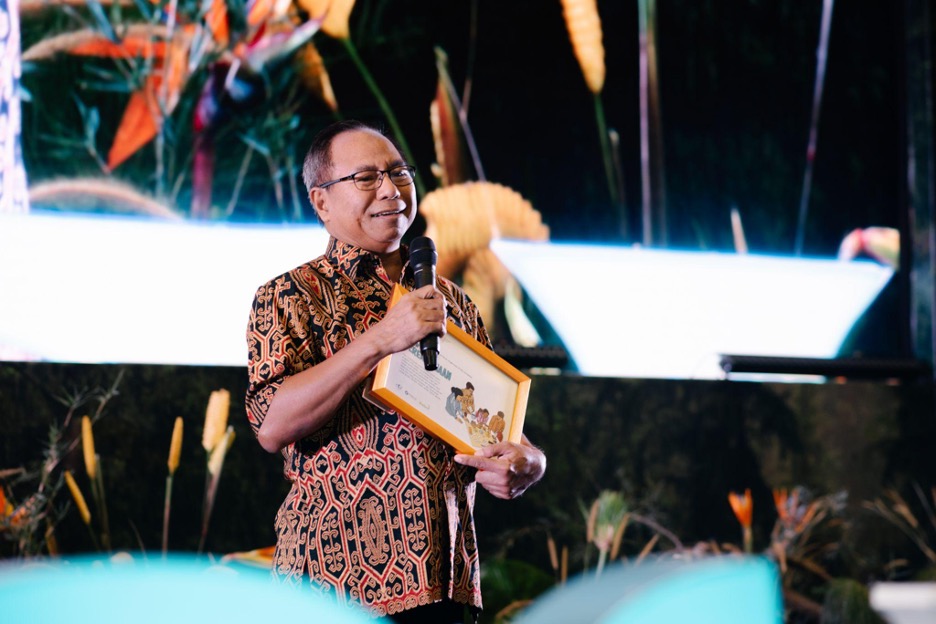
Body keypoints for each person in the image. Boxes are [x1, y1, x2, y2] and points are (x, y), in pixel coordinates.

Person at [245, 120, 546, 623]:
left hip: (446, 583)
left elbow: (491, 422)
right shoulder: (288, 296)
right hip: (333, 587)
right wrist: (383, 338)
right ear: (321, 201)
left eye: (398, 172)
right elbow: (271, 425)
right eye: (366, 178)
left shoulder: (452, 301)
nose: (390, 189)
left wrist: (528, 462)